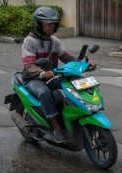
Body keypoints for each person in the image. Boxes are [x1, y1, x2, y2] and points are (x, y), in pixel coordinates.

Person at [21, 6, 96, 143]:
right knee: (45, 93)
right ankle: (56, 128)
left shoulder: (54, 41)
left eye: (53, 24)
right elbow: (29, 65)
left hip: (52, 76)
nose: (50, 27)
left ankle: (78, 114)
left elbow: (68, 59)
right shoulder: (29, 41)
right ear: (38, 24)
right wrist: (42, 73)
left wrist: (85, 64)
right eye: (47, 24)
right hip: (33, 78)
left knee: (75, 82)